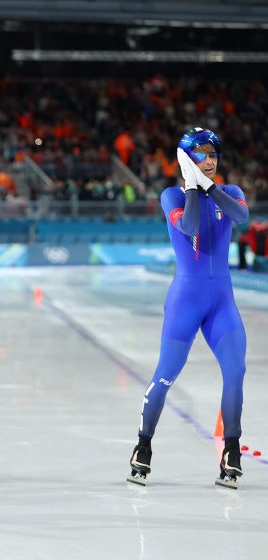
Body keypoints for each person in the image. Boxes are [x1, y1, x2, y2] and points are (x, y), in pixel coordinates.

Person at [128, 128, 249, 489]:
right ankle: (143, 445)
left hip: (221, 302)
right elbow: (191, 225)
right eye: (201, 155)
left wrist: (208, 187)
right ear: (186, 160)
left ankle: (231, 450)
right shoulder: (172, 196)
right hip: (186, 301)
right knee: (166, 375)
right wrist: (194, 187)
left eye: (213, 154)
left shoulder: (231, 192)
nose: (210, 160)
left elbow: (240, 217)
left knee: (236, 371)